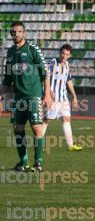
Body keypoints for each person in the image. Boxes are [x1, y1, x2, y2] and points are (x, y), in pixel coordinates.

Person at [0, 21, 52, 172]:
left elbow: (45, 72)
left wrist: (47, 93)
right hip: (18, 98)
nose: (16, 34)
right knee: (17, 128)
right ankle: (23, 163)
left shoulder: (32, 49)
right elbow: (7, 78)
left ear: (24, 33)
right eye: (13, 32)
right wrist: (1, 96)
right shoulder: (10, 53)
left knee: (37, 128)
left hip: (34, 96)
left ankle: (38, 162)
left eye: (19, 32)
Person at [41, 44, 83, 151]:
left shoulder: (67, 65)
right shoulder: (52, 63)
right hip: (52, 98)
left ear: (70, 55)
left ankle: (70, 145)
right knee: (46, 120)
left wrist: (74, 96)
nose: (64, 56)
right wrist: (49, 91)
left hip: (63, 98)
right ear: (60, 53)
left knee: (66, 119)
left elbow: (68, 81)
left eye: (67, 54)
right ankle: (39, 143)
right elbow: (44, 77)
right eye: (63, 53)